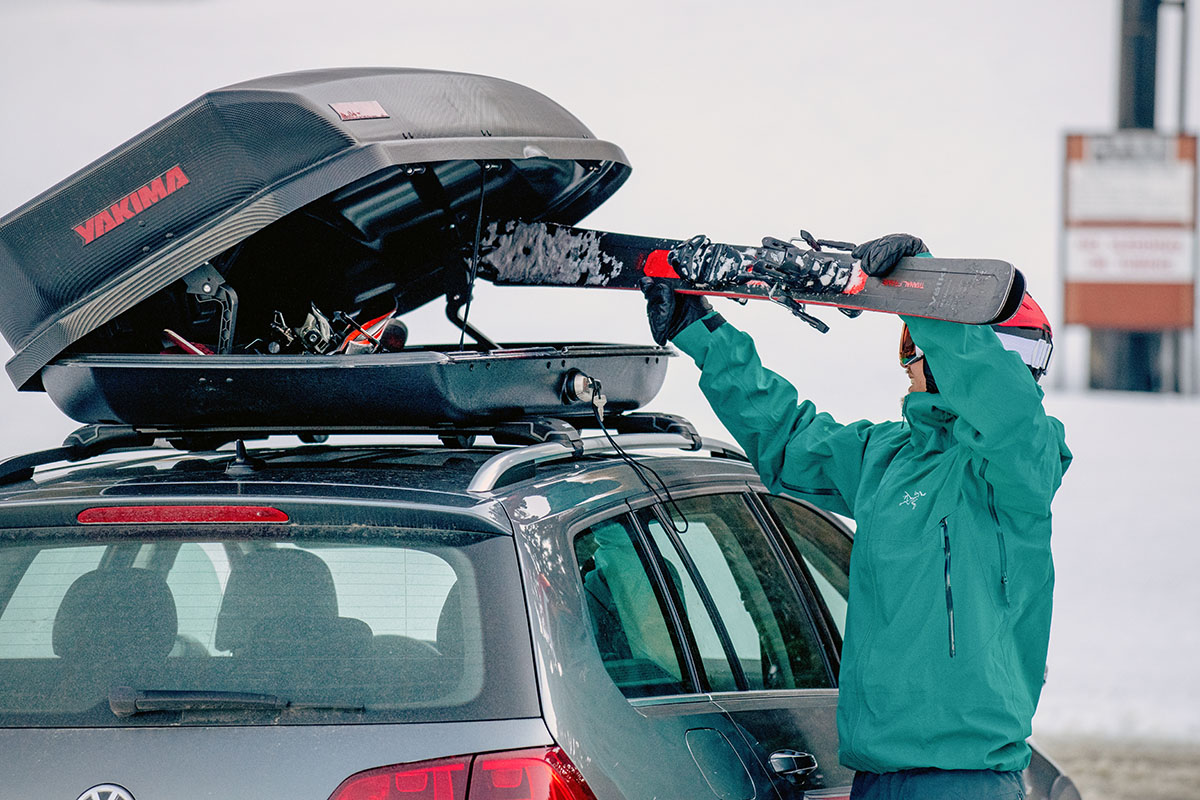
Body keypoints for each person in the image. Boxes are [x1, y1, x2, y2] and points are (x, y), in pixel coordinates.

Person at [643, 234, 1072, 800]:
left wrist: (923, 287)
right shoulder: (888, 457)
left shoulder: (1016, 469)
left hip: (966, 782)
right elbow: (789, 440)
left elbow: (1004, 406)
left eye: (915, 343)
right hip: (873, 777)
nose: (909, 358)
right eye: (907, 341)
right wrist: (702, 334)